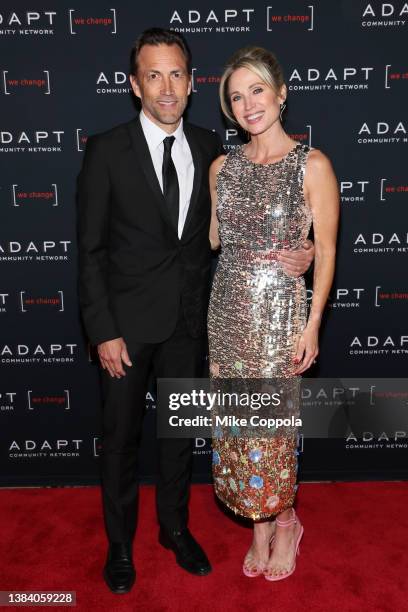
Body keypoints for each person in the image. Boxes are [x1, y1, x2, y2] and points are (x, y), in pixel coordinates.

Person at [77, 29, 314, 594]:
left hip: (193, 324)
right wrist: (103, 330)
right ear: (135, 85)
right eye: (153, 75)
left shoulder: (214, 150)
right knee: (121, 440)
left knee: (179, 437)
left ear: (191, 81)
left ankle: (175, 530)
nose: (166, 87)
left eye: (177, 74)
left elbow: (242, 229)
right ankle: (119, 547)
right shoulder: (106, 149)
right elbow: (88, 251)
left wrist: (302, 250)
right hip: (127, 332)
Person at [208, 46, 339, 581]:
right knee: (236, 428)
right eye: (236, 97)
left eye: (256, 90)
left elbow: (326, 251)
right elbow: (217, 240)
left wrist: (312, 323)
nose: (247, 104)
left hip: (281, 315)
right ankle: (257, 525)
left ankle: (285, 521)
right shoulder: (223, 166)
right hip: (227, 310)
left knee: (273, 430)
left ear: (281, 94)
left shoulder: (313, 164)